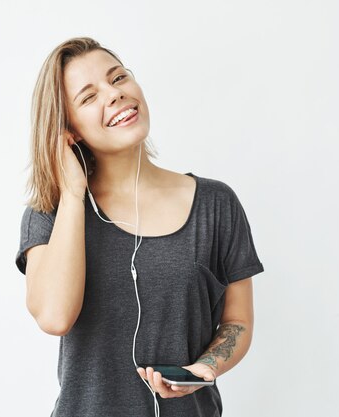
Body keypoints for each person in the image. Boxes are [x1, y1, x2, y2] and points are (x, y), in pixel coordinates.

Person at [15, 37, 265, 417]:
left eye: (118, 78)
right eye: (88, 96)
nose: (114, 94)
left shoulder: (215, 204)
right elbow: (54, 316)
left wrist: (203, 369)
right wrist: (71, 192)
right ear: (70, 131)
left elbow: (237, 321)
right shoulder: (51, 211)